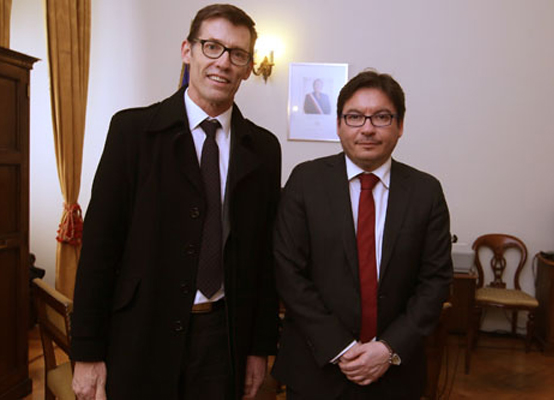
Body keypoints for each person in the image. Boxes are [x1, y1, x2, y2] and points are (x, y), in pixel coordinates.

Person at [70, 4, 281, 400]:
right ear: (187, 50)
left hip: (223, 340)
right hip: (140, 333)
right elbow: (99, 248)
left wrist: (259, 347)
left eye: (237, 54)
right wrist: (86, 352)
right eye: (212, 46)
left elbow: (263, 261)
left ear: (248, 68)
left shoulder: (263, 149)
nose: (223, 62)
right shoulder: (132, 132)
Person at [272, 71, 453, 399]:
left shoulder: (426, 192)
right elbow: (288, 272)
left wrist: (389, 348)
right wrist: (340, 347)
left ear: (400, 125)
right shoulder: (305, 181)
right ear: (338, 124)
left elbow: (436, 280)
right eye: (355, 117)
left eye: (381, 117)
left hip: (395, 373)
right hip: (316, 368)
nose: (367, 128)